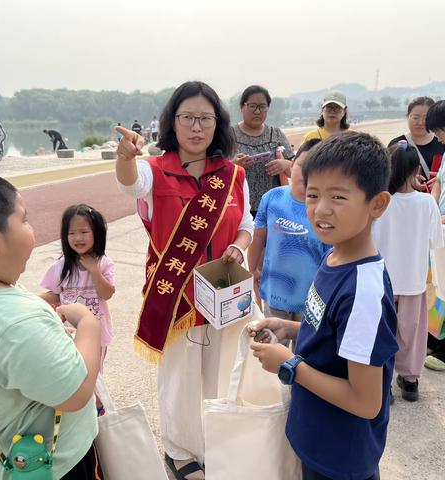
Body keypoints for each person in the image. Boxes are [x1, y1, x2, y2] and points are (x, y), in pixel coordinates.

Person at [115, 80, 253, 480]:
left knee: (218, 370)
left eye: (205, 118)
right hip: (175, 293)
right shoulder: (154, 172)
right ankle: (179, 450)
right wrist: (125, 156)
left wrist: (240, 248)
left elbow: (245, 224)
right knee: (180, 376)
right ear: (172, 123)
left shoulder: (231, 176)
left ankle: (212, 444)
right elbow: (129, 183)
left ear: (217, 124)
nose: (196, 127)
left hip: (222, 291)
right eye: (187, 118)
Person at [249, 132, 398, 480]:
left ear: (376, 204)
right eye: (313, 195)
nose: (321, 209)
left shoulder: (363, 290)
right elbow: (336, 335)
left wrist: (290, 366)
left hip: (341, 455)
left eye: (338, 197)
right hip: (317, 435)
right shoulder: (334, 255)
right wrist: (289, 328)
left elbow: (365, 401)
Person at [0, 172, 102, 479]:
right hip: (55, 464)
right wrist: (88, 324)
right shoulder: (16, 322)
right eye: (24, 219)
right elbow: (77, 392)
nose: (32, 229)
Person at [373, 141, 443, 401]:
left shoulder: (379, 202)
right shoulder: (427, 203)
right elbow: (437, 241)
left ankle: (383, 383)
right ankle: (410, 380)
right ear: (416, 170)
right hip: (413, 281)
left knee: (381, 331)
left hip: (382, 280)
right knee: (412, 333)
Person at [248, 138, 329, 326]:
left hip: (312, 299)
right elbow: (259, 237)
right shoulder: (272, 197)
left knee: (304, 351)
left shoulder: (326, 210)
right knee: (272, 343)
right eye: (303, 165)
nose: (307, 174)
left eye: (316, 169)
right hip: (275, 293)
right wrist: (252, 270)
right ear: (291, 165)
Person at [40, 204, 116, 370]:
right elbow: (56, 294)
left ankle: (96, 397)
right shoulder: (60, 266)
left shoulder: (104, 263)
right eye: (71, 233)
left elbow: (107, 293)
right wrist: (30, 299)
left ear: (96, 233)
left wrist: (94, 270)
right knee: (72, 372)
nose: (77, 238)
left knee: (94, 374)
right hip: (68, 332)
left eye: (83, 232)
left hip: (96, 334)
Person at [232, 85, 294, 217]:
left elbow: (295, 169)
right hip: (237, 208)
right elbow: (215, 171)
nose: (257, 111)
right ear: (242, 107)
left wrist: (284, 164)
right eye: (252, 106)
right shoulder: (229, 136)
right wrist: (234, 166)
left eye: (262, 106)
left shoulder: (276, 134)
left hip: (273, 208)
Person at [425, 100, 445, 371]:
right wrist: (431, 208)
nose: (438, 136)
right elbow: (438, 183)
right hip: (440, 229)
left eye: (440, 130)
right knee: (438, 287)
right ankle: (437, 339)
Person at [389, 97, 445, 191]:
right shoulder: (396, 144)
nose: (420, 122)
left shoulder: (442, 141)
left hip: (438, 200)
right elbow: (388, 176)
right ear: (408, 117)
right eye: (415, 117)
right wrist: (408, 182)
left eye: (425, 118)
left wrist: (440, 180)